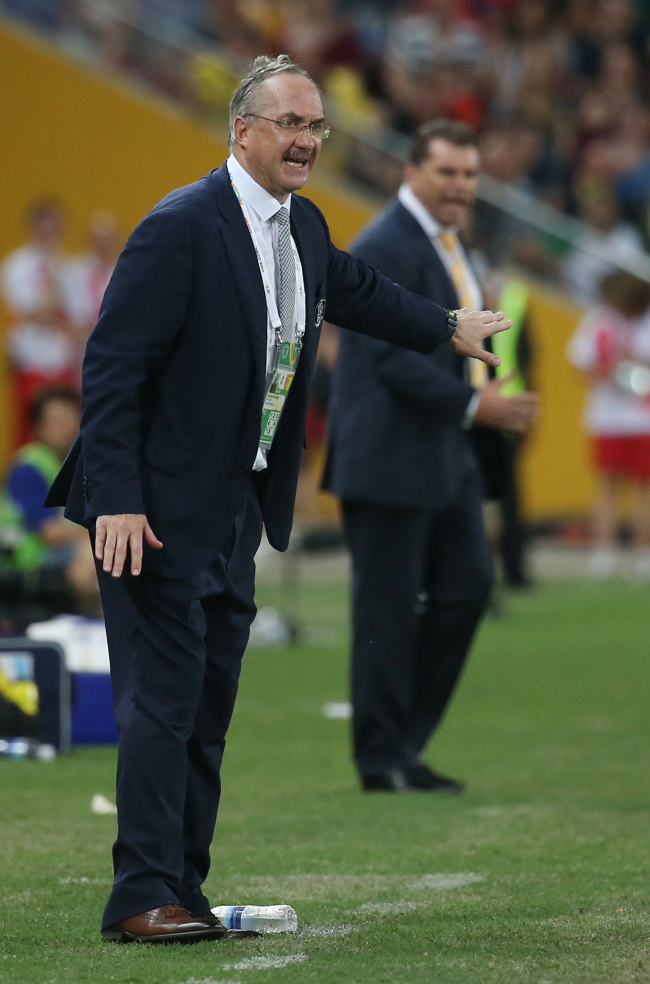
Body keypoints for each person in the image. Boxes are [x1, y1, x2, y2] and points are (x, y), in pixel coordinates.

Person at [46, 55, 512, 945]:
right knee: (162, 703)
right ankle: (139, 894)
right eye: (290, 124)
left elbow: (358, 288)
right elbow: (111, 368)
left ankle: (180, 884)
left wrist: (446, 327)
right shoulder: (180, 226)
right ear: (242, 131)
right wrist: (115, 500)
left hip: (233, 511)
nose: (306, 141)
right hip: (151, 514)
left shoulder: (301, 227)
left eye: (316, 127)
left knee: (208, 706)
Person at [324, 119, 538, 793]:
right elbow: (388, 357)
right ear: (410, 172)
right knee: (385, 613)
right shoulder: (385, 242)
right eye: (447, 172)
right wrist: (479, 407)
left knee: (469, 587)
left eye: (470, 175)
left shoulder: (449, 242)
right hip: (389, 455)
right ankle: (383, 758)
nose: (460, 186)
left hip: (442, 453)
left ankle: (404, 743)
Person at [567, 269, 650, 579]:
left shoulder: (645, 322)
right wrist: (607, 374)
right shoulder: (598, 321)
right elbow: (579, 365)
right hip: (607, 417)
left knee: (644, 489)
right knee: (608, 487)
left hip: (643, 418)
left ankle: (644, 553)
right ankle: (605, 552)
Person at [0, 388, 98, 621]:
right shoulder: (29, 467)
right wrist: (93, 533)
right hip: (26, 559)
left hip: (56, 552)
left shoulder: (72, 465)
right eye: (56, 421)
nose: (64, 428)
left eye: (69, 419)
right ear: (38, 426)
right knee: (94, 548)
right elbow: (50, 534)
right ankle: (71, 614)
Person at [1, 199, 79, 445]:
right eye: (44, 228)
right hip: (31, 360)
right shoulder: (16, 265)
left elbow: (78, 318)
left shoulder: (70, 266)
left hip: (62, 361)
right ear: (33, 227)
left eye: (54, 228)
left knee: (66, 432)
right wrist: (55, 283)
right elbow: (34, 312)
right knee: (29, 431)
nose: (50, 234)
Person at [63, 211, 120, 379]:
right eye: (99, 240)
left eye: (108, 240)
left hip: (115, 346)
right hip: (79, 349)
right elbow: (71, 312)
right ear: (90, 240)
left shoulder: (125, 271)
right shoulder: (74, 271)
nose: (103, 245)